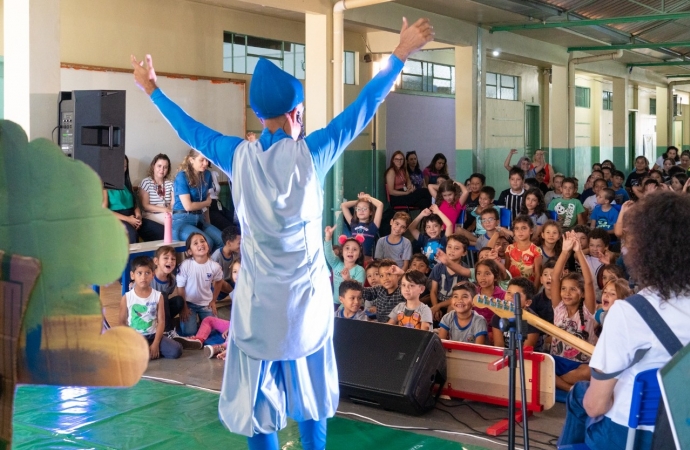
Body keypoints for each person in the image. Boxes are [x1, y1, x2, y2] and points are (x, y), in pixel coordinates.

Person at [133, 17, 433, 449]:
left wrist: (152, 89)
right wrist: (400, 52)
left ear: (258, 115)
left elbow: (189, 129)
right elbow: (364, 105)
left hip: (256, 305)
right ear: (298, 113)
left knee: (259, 404)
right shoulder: (314, 152)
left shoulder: (236, 155)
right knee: (311, 401)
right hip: (306, 303)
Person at [559, 191, 690, 450]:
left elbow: (596, 405)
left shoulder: (629, 311)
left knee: (580, 395)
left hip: (632, 435)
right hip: (683, 429)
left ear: (645, 251)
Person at [550, 232, 598, 392]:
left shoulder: (587, 310)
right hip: (556, 362)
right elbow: (555, 278)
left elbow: (589, 281)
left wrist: (578, 251)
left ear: (582, 293)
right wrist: (564, 252)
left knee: (589, 371)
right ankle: (569, 389)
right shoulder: (559, 308)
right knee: (537, 363)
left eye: (573, 289)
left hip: (579, 365)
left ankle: (554, 383)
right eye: (563, 289)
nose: (566, 293)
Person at [119, 256, 182, 359]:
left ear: (153, 275)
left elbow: (161, 322)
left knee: (176, 351)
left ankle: (152, 349)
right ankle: (147, 351)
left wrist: (156, 343)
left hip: (153, 335)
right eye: (139, 273)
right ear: (132, 275)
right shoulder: (127, 297)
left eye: (147, 273)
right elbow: (122, 323)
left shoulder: (158, 296)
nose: (143, 277)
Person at [172, 149, 224, 252]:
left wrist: (208, 223)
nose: (205, 163)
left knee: (222, 241)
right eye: (202, 160)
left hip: (200, 219)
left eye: (207, 160)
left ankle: (212, 267)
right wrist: (206, 203)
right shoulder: (182, 176)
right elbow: (188, 206)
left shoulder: (207, 175)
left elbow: (206, 203)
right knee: (207, 242)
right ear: (191, 160)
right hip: (182, 220)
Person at [176, 232, 224, 336]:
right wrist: (183, 306)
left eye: (203, 241)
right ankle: (195, 323)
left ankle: (201, 323)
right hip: (189, 304)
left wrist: (213, 301)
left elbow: (219, 281)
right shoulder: (185, 265)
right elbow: (180, 287)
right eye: (195, 243)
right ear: (189, 251)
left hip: (206, 303)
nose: (200, 244)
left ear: (208, 245)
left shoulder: (215, 266)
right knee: (189, 332)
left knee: (213, 331)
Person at [491, 277, 542, 350]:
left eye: (516, 295)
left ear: (527, 302)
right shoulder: (498, 317)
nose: (510, 297)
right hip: (506, 357)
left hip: (527, 359)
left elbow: (525, 351)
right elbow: (499, 347)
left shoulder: (533, 322)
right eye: (508, 292)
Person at [429, 234, 470, 321]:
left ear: (464, 252)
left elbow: (459, 297)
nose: (452, 251)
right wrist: (436, 307)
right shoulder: (438, 267)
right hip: (437, 302)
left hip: (454, 303)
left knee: (452, 309)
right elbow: (433, 291)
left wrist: (438, 306)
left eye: (456, 248)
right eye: (449, 247)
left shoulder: (465, 271)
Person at [103, 155, 142, 244]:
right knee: (132, 235)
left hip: (133, 216)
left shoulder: (127, 184)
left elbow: (135, 205)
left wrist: (138, 216)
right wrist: (128, 219)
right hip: (117, 218)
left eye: (124, 166)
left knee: (160, 231)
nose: (122, 169)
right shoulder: (104, 185)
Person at [324, 226, 366, 306]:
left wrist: (348, 279)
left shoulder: (360, 270)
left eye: (354, 249)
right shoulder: (336, 263)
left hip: (352, 306)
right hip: (335, 303)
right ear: (342, 252)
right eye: (347, 248)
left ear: (359, 254)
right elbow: (328, 253)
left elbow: (358, 290)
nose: (350, 251)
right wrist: (328, 237)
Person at [150, 245, 186, 338]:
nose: (170, 261)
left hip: (160, 312)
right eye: (166, 258)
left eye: (173, 259)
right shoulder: (148, 277)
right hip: (148, 310)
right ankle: (167, 331)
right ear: (156, 261)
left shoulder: (172, 280)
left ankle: (163, 324)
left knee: (179, 300)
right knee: (162, 296)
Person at [138, 153, 173, 241]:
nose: (162, 170)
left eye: (165, 167)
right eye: (159, 166)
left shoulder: (170, 184)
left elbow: (173, 204)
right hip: (151, 215)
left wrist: (168, 210)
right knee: (169, 230)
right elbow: (145, 206)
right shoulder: (146, 182)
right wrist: (164, 209)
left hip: (168, 214)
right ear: (153, 166)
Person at [340, 192, 383, 259]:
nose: (361, 211)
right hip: (354, 259)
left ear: (371, 212)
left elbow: (380, 205)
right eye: (358, 209)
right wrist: (360, 200)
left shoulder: (373, 225)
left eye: (365, 209)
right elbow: (343, 205)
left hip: (366, 259)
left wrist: (368, 198)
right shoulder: (353, 223)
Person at [361, 259, 405, 323]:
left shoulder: (402, 290)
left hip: (396, 327)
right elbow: (367, 292)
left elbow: (412, 282)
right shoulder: (379, 289)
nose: (385, 278)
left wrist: (402, 272)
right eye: (381, 276)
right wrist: (350, 282)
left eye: (389, 274)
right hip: (381, 325)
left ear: (397, 275)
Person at [505, 215, 542, 286]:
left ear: (531, 231)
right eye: (517, 228)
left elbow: (538, 274)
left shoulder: (536, 250)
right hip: (512, 286)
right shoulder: (509, 248)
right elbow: (506, 271)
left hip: (529, 287)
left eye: (524, 228)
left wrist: (534, 293)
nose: (520, 231)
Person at [211, 225, 241, 295]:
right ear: (229, 243)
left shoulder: (237, 253)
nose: (241, 245)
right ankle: (234, 294)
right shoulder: (217, 256)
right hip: (221, 286)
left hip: (232, 281)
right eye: (239, 243)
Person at [207, 164, 236, 231]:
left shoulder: (212, 173)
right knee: (230, 228)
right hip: (209, 207)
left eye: (206, 161)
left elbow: (216, 193)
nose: (205, 163)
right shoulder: (198, 178)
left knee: (237, 222)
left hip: (218, 204)